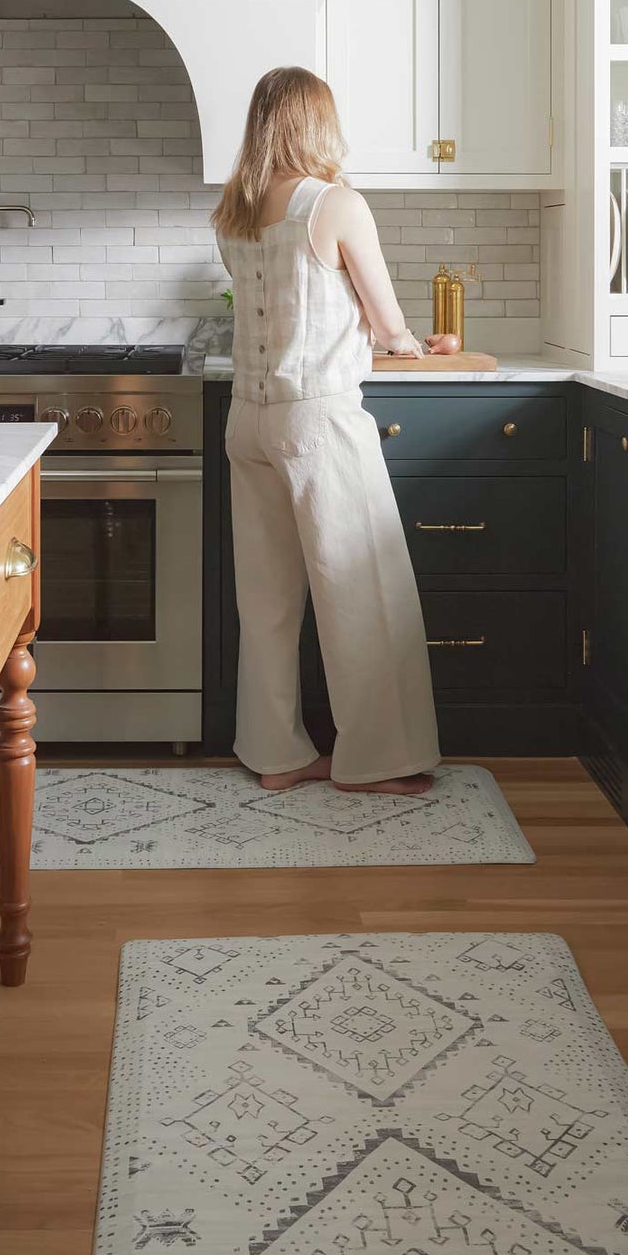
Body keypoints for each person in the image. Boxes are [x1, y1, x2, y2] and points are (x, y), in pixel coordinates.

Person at [211, 65, 457, 797]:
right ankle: (377, 762)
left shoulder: (232, 210)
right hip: (315, 417)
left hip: (246, 419)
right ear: (316, 123)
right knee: (361, 589)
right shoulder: (336, 203)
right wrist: (413, 341)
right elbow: (385, 323)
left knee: (265, 599)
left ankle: (274, 752)